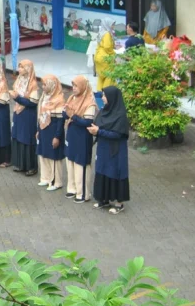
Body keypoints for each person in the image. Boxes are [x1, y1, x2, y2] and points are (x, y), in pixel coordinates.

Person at [90, 86, 131, 214]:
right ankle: (104, 199)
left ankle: (119, 203)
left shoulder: (120, 116)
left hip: (116, 151)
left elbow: (118, 134)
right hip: (103, 148)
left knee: (115, 172)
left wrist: (99, 131)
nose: (102, 98)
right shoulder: (104, 111)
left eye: (105, 96)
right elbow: (98, 124)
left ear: (112, 98)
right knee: (102, 171)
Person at [64, 75, 98, 203]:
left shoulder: (89, 102)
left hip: (82, 138)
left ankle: (83, 193)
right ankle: (72, 189)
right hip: (72, 134)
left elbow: (87, 122)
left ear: (83, 86)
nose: (73, 88)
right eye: (73, 85)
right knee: (70, 161)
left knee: (80, 164)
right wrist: (68, 115)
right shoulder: (72, 98)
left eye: (76, 86)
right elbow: (65, 113)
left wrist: (72, 116)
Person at [36, 74, 67, 191]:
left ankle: (56, 181)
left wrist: (57, 137)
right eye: (42, 84)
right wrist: (38, 130)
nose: (43, 87)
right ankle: (45, 178)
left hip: (53, 130)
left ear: (52, 85)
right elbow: (41, 115)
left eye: (45, 84)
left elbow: (60, 120)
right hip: (44, 129)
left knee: (54, 156)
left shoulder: (59, 99)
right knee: (44, 153)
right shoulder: (44, 96)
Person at [10, 59, 40, 177]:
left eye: (22, 67)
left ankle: (31, 167)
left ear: (28, 69)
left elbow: (33, 103)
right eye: (19, 67)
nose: (19, 70)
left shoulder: (32, 84)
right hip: (18, 112)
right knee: (18, 136)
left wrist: (17, 98)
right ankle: (20, 164)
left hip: (28, 115)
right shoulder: (19, 80)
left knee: (27, 139)